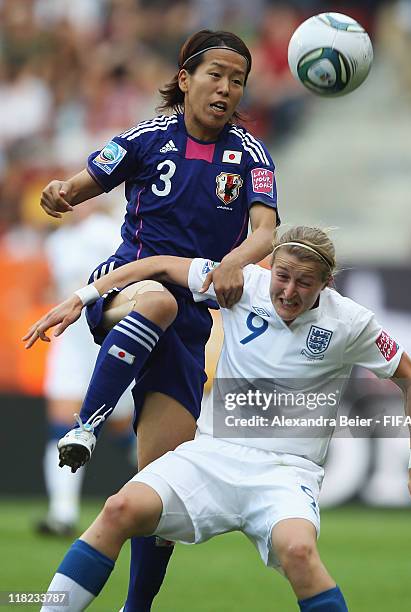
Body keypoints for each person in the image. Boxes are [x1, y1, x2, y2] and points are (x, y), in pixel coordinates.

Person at [25, 226, 411, 612]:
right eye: (283, 275)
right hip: (214, 452)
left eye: (305, 282)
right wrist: (82, 298)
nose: (289, 291)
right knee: (119, 509)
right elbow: (156, 265)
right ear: (272, 265)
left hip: (286, 472)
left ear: (327, 283)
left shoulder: (350, 322)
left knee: (299, 553)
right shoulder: (243, 282)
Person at [38, 29, 278, 610]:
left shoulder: (250, 153)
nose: (225, 88)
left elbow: (266, 230)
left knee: (159, 492)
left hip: (190, 325)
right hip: (125, 285)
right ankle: (86, 427)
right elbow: (80, 183)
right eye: (215, 74)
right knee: (160, 300)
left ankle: (135, 606)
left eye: (237, 79)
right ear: (184, 78)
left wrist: (235, 263)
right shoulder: (146, 137)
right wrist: (58, 193)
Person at [38, 205, 134, 536]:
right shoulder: (58, 241)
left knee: (124, 428)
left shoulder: (112, 231)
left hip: (106, 338)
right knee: (62, 422)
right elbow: (54, 286)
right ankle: (62, 513)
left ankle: (165, 488)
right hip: (70, 343)